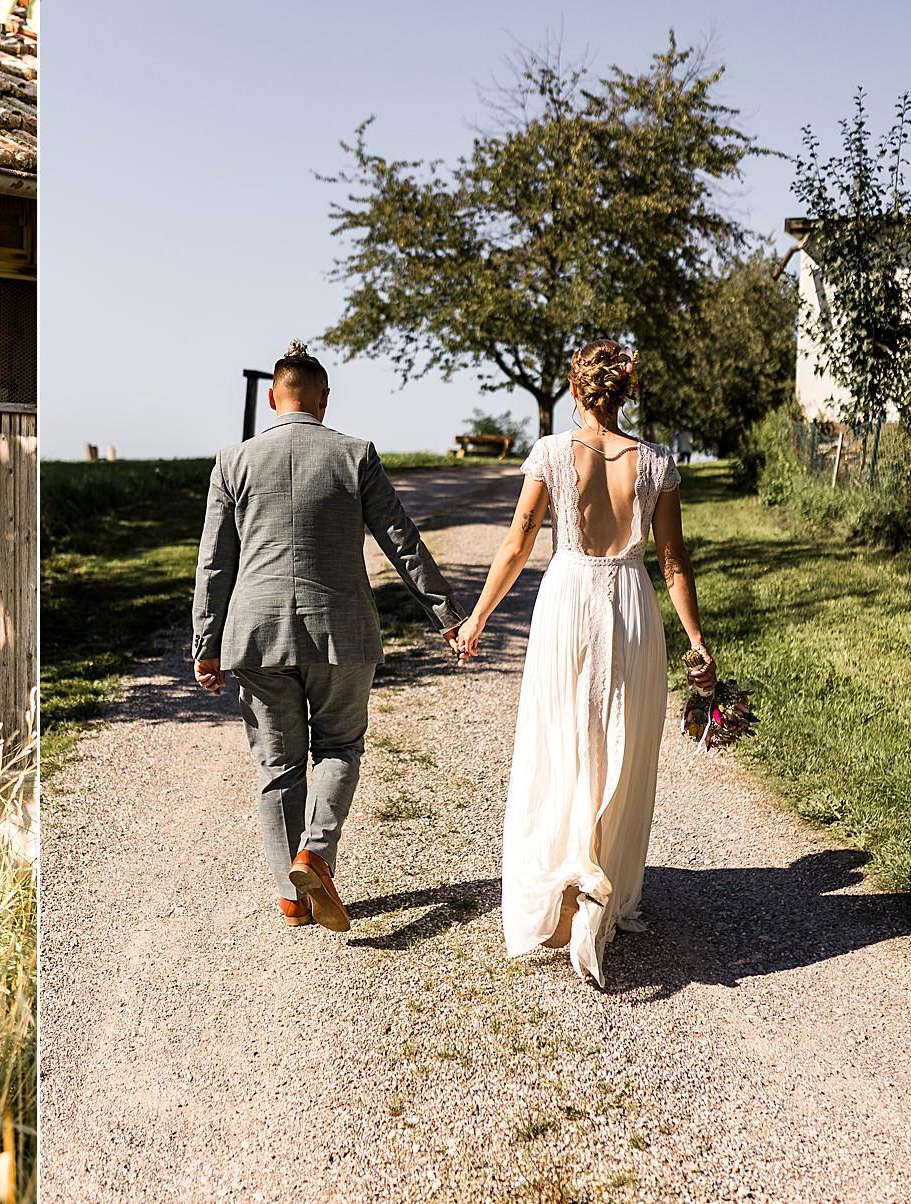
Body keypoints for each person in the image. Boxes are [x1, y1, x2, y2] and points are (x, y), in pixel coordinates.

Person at [456, 339, 715, 987]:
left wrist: (477, 619)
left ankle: (567, 875)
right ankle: (599, 875)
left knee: (560, 740)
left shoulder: (548, 453)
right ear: (624, 392)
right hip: (631, 605)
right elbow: (674, 564)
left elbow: (517, 544)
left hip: (569, 599)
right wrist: (696, 640)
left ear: (576, 391)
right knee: (621, 748)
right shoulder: (657, 463)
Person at [192, 342, 465, 932]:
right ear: (324, 399)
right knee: (339, 748)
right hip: (341, 634)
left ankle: (292, 900)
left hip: (257, 636)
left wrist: (205, 643)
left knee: (276, 767)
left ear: (272, 397)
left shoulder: (232, 462)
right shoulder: (355, 454)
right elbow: (402, 541)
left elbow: (214, 563)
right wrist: (446, 615)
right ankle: (314, 854)